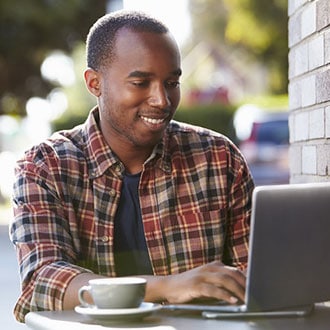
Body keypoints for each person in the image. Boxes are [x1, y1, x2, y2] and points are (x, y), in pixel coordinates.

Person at [10, 10, 254, 323]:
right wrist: (168, 286)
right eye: (141, 82)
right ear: (95, 83)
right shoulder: (45, 167)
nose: (162, 100)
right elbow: (42, 282)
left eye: (171, 82)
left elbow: (257, 277)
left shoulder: (219, 159)